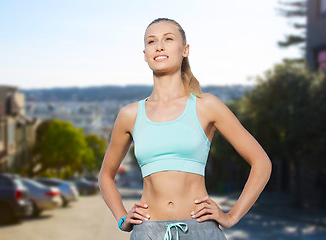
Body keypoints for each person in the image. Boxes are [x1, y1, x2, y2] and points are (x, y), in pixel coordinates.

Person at [98, 17, 272, 240]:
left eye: (168, 39)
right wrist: (122, 218)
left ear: (184, 50)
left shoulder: (207, 106)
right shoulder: (129, 115)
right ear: (145, 54)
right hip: (148, 232)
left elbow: (262, 162)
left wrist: (232, 216)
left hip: (201, 230)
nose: (159, 46)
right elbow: (106, 175)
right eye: (152, 41)